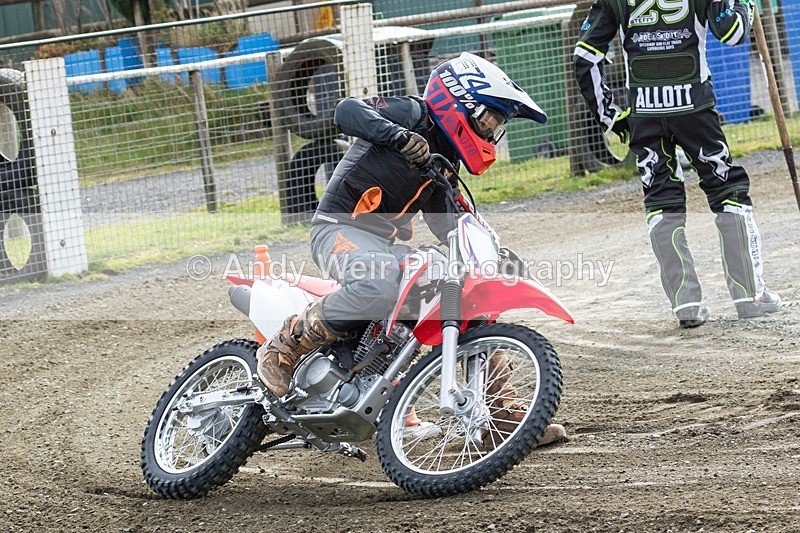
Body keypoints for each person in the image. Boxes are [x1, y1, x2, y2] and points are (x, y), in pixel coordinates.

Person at [257, 52, 566, 447]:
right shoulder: (412, 114)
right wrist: (399, 137)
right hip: (338, 229)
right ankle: (284, 346)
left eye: (498, 126)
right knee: (380, 284)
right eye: (490, 119)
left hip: (381, 246)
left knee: (464, 292)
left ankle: (498, 416)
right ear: (461, 102)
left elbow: (451, 226)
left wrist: (491, 255)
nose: (491, 133)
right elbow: (347, 111)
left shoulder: (443, 168)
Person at [573, 0, 781, 328]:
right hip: (695, 107)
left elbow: (585, 57)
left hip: (645, 111)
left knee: (661, 199)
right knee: (728, 190)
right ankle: (749, 296)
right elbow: (734, 32)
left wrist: (610, 118)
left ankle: (686, 304)